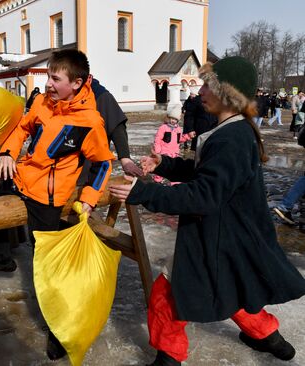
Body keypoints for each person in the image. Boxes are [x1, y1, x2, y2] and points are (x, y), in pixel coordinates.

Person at [109, 56, 305, 366]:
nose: (200, 92)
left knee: (166, 294)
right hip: (230, 234)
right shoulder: (230, 130)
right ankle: (268, 335)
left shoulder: (231, 137)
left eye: (208, 86)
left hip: (219, 236)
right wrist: (165, 164)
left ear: (227, 94)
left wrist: (142, 192)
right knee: (230, 285)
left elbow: (204, 195)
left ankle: (169, 358)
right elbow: (207, 174)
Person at [0, 49, 115, 361]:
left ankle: (59, 331)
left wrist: (88, 199)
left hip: (48, 199)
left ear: (77, 82)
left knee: (47, 268)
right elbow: (22, 128)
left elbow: (102, 164)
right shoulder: (42, 102)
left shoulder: (89, 121)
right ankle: (2, 256)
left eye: (55, 78)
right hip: (22, 180)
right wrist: (7, 153)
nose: (49, 84)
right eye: (48, 76)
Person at [151, 105, 194, 184]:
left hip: (174, 152)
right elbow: (158, 139)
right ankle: (157, 180)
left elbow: (179, 139)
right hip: (164, 151)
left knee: (174, 167)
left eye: (175, 119)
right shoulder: (163, 127)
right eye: (171, 118)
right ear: (168, 118)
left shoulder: (178, 129)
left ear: (177, 120)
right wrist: (158, 149)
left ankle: (174, 182)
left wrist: (187, 137)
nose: (173, 121)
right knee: (162, 165)